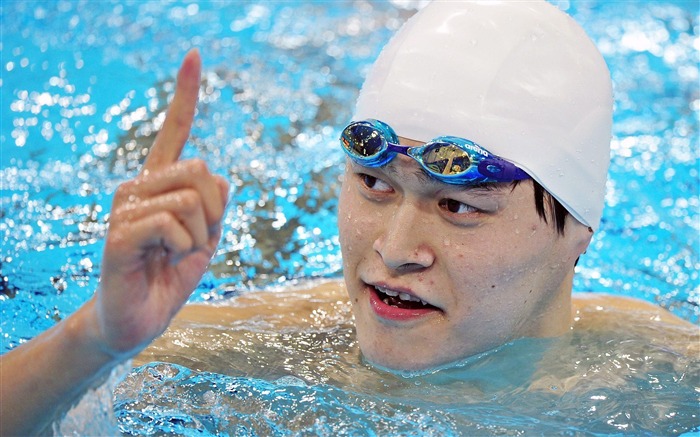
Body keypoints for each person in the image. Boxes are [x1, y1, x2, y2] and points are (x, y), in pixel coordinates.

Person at [0, 1, 693, 435]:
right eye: (375, 185)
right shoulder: (263, 355)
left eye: (457, 205)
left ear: (579, 229)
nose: (393, 251)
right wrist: (95, 338)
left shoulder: (658, 375)